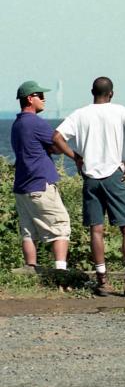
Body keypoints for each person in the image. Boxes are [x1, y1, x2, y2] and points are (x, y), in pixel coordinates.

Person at [52, 77, 125, 296]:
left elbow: (57, 137)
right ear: (111, 93)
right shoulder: (120, 111)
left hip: (91, 177)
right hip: (113, 174)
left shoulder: (80, 114)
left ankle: (103, 280)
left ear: (92, 92)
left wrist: (75, 157)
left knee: (96, 228)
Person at [11, 80, 75, 274]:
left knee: (29, 231)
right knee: (60, 226)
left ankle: (31, 269)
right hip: (40, 184)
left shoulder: (17, 124)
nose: (44, 99)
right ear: (30, 99)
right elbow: (56, 144)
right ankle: (61, 272)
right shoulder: (36, 123)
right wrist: (74, 155)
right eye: (40, 95)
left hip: (22, 186)